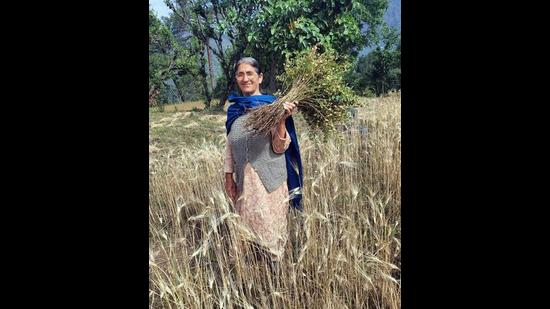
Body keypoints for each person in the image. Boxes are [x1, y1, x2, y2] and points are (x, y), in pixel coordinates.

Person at [224, 57, 304, 263]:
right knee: (245, 236)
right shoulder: (234, 109)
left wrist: (282, 120)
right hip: (245, 185)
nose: (245, 78)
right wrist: (228, 177)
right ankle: (250, 281)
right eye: (240, 74)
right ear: (236, 79)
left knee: (271, 237)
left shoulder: (272, 107)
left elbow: (280, 147)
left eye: (250, 73)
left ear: (259, 77)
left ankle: (276, 279)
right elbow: (230, 145)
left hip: (270, 183)